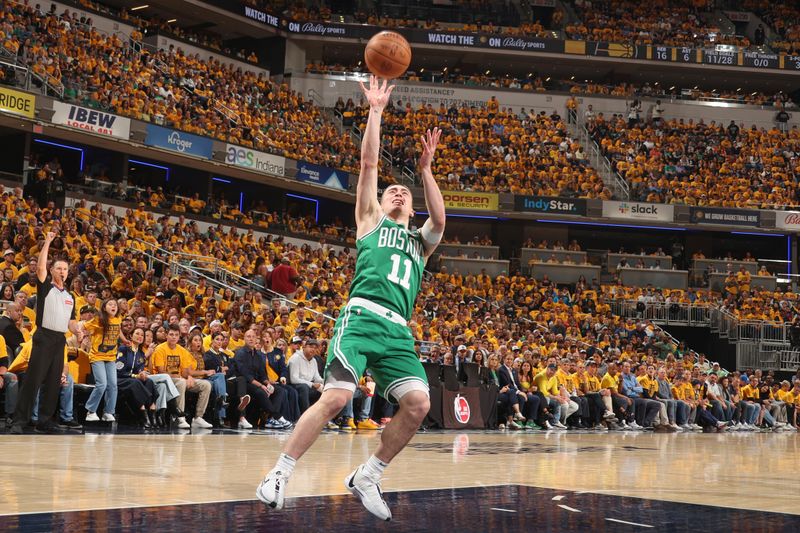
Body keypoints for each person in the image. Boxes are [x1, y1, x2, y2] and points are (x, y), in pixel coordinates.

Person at [258, 76, 446, 522]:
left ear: (412, 207)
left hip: (398, 331)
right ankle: (280, 472)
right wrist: (376, 111)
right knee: (338, 398)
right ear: (379, 204)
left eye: (405, 192)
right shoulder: (370, 222)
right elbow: (366, 166)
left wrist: (425, 171)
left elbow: (440, 218)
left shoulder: (421, 242)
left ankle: (368, 474)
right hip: (361, 319)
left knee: (419, 404)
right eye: (390, 190)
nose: (397, 192)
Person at [10, 231, 83, 434]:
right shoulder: (46, 287)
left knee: (53, 382)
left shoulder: (70, 296)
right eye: (58, 268)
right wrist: (48, 242)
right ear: (51, 271)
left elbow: (71, 321)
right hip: (43, 336)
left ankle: (45, 420)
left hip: (60, 339)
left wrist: (77, 329)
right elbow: (41, 266)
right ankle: (19, 420)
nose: (62, 271)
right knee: (33, 380)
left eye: (65, 268)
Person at [83, 298, 122, 422]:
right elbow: (84, 325)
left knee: (113, 385)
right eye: (110, 304)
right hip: (97, 356)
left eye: (115, 304)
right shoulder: (99, 320)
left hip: (111, 356)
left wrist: (125, 340)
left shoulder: (118, 318)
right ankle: (91, 411)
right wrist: (83, 335)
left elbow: (118, 330)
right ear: (104, 308)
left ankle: (108, 412)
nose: (113, 306)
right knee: (102, 384)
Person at [115, 327, 158, 427]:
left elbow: (139, 370)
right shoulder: (123, 349)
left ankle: (152, 411)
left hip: (132, 380)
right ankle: (143, 412)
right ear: (131, 336)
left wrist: (142, 374)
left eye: (142, 335)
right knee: (136, 382)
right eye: (137, 334)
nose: (140, 336)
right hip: (120, 379)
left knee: (149, 382)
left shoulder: (141, 354)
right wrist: (136, 376)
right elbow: (119, 370)